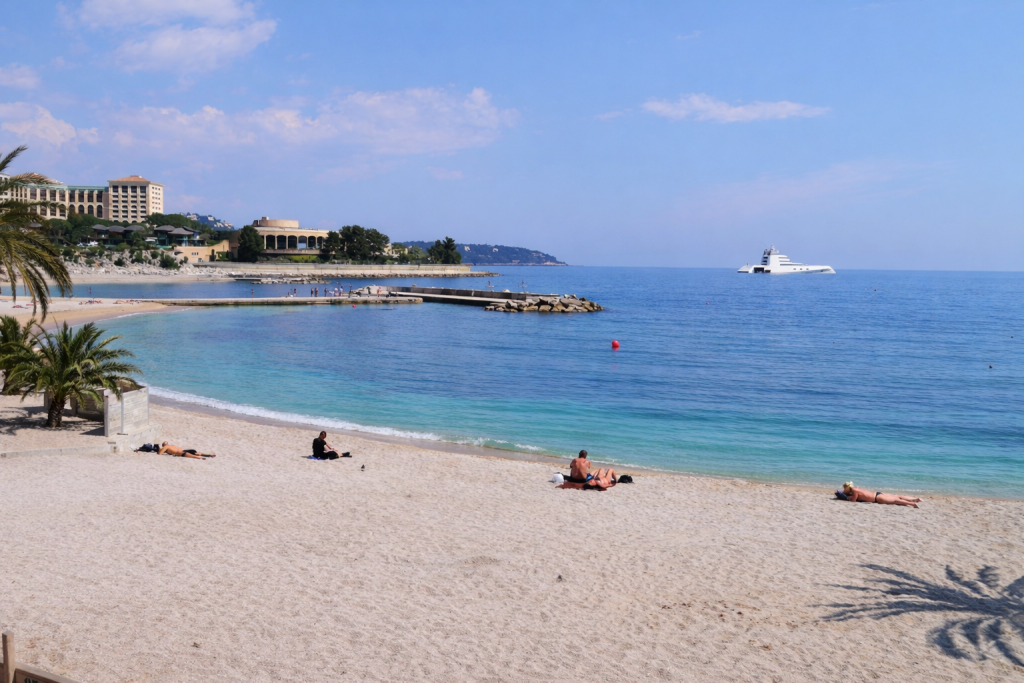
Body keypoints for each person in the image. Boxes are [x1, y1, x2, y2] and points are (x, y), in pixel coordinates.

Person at [840, 481, 922, 508]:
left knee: (895, 500)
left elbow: (854, 501)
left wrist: (848, 497)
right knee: (897, 496)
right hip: (878, 493)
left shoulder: (854, 492)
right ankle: (915, 499)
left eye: (844, 489)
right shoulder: (856, 488)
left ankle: (912, 503)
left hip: (877, 498)